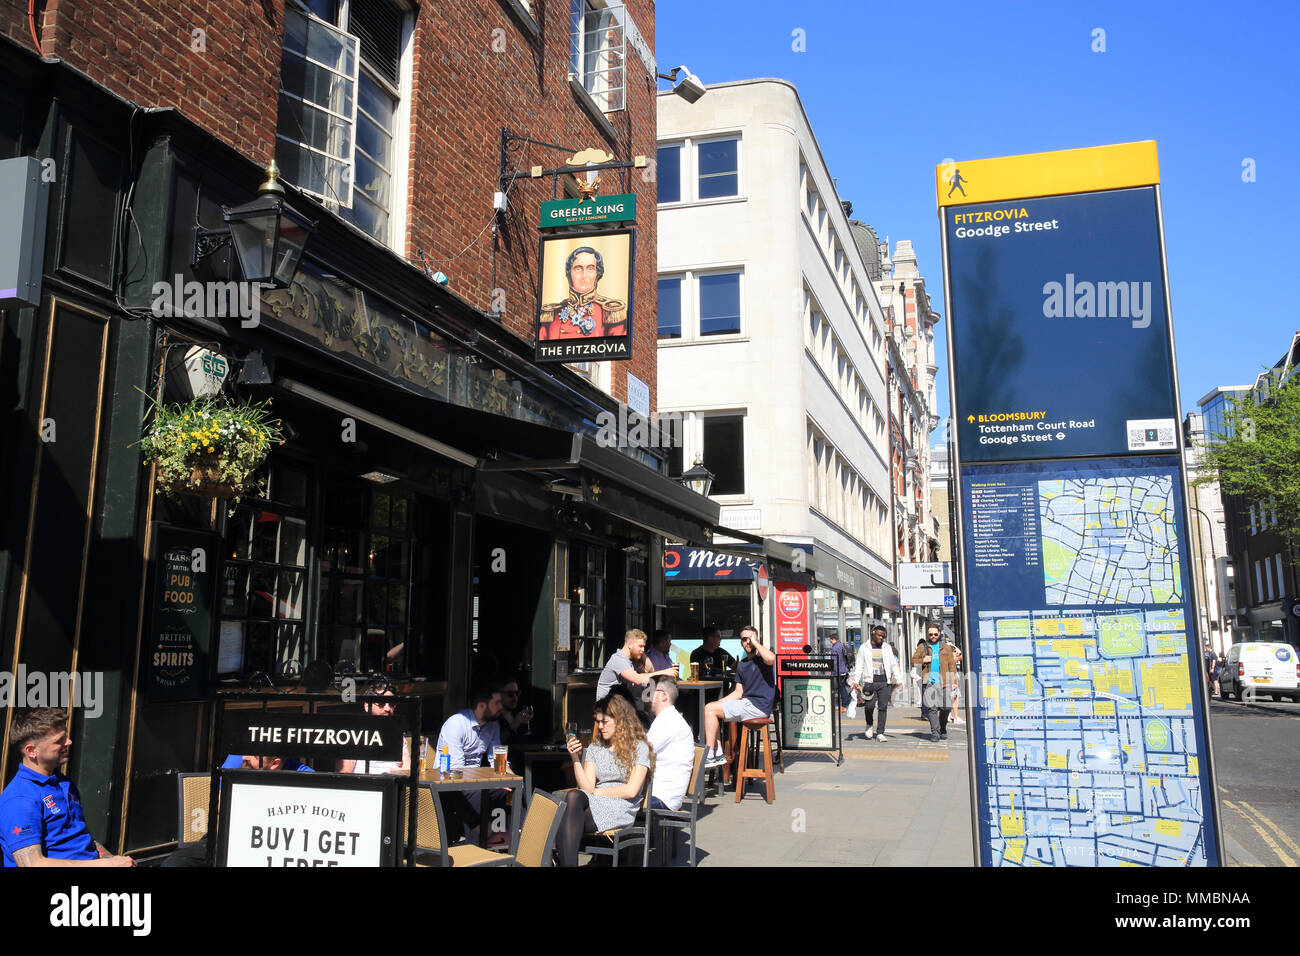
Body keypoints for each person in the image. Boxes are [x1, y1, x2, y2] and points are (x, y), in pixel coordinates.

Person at [0, 708, 136, 867]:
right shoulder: (20, 799)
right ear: (31, 750)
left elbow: (80, 839)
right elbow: (33, 864)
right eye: (59, 740)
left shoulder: (63, 782)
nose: (69, 742)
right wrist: (108, 865)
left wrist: (110, 859)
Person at [556, 693, 654, 866]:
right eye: (597, 721)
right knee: (574, 797)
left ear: (620, 720)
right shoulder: (596, 747)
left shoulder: (640, 748)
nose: (600, 726)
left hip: (621, 805)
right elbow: (586, 788)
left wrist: (598, 792)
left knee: (560, 817)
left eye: (604, 721)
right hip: (595, 802)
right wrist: (575, 758)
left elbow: (631, 791)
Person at [435, 685, 508, 842]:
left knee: (509, 791)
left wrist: (512, 779)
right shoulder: (457, 724)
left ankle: (516, 839)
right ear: (482, 705)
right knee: (475, 792)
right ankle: (477, 846)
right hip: (447, 782)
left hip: (474, 780)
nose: (501, 707)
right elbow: (456, 770)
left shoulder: (493, 725)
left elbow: (495, 759)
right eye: (497, 703)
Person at [703, 625, 776, 768]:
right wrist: (719, 703)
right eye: (744, 639)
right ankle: (716, 753)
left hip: (758, 706)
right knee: (710, 709)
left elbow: (772, 659)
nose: (748, 642)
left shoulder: (763, 658)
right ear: (741, 643)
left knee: (710, 709)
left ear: (757, 639)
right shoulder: (742, 665)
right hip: (747, 704)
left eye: (751, 638)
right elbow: (738, 693)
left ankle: (711, 754)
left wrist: (755, 643)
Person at [538, 246, 627, 341]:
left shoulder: (610, 312)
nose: (584, 276)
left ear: (597, 274)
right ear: (569, 273)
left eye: (590, 269)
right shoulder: (554, 313)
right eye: (578, 269)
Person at [340, 679, 411, 774]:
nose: (387, 708)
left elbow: (408, 770)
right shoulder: (354, 734)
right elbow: (344, 773)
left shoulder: (397, 735)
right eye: (381, 703)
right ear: (367, 706)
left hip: (393, 785)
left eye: (391, 704)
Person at [646, 677, 694, 812]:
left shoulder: (668, 721)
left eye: (651, 692)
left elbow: (642, 751)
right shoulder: (666, 718)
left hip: (662, 797)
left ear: (663, 696)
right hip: (662, 794)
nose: (649, 697)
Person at [850, 625, 903, 741]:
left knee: (883, 707)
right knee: (869, 706)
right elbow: (859, 666)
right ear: (873, 633)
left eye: (883, 636)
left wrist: (898, 680)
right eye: (879, 635)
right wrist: (855, 681)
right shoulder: (864, 648)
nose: (881, 638)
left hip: (885, 681)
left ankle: (880, 732)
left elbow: (893, 664)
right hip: (869, 682)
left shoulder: (887, 648)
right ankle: (869, 724)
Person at [597, 628, 677, 703]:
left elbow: (651, 671)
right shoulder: (618, 659)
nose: (643, 650)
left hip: (620, 704)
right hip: (606, 707)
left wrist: (643, 655)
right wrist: (664, 672)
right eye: (640, 646)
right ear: (629, 644)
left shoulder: (633, 660)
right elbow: (637, 679)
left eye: (644, 647)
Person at [912, 623, 959, 742]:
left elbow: (952, 666)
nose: (933, 636)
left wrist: (954, 681)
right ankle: (935, 732)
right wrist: (923, 660)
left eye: (935, 634)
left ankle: (943, 727)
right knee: (931, 709)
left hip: (944, 682)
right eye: (930, 634)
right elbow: (913, 661)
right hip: (929, 682)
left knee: (946, 707)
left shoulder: (946, 647)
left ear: (939, 634)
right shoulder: (923, 647)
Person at [828, 633, 853, 710]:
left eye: (830, 640)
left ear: (833, 639)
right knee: (843, 686)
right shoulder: (842, 645)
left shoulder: (835, 647)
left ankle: (845, 703)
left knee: (841, 687)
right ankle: (847, 700)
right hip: (844, 669)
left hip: (839, 670)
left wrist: (831, 670)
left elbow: (834, 661)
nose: (830, 641)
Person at [948, 638, 966, 726]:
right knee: (953, 698)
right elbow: (960, 654)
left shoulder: (948, 658)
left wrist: (951, 645)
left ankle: (951, 715)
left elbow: (959, 654)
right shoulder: (950, 659)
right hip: (951, 680)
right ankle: (954, 716)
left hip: (952, 679)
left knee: (953, 698)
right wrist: (952, 646)